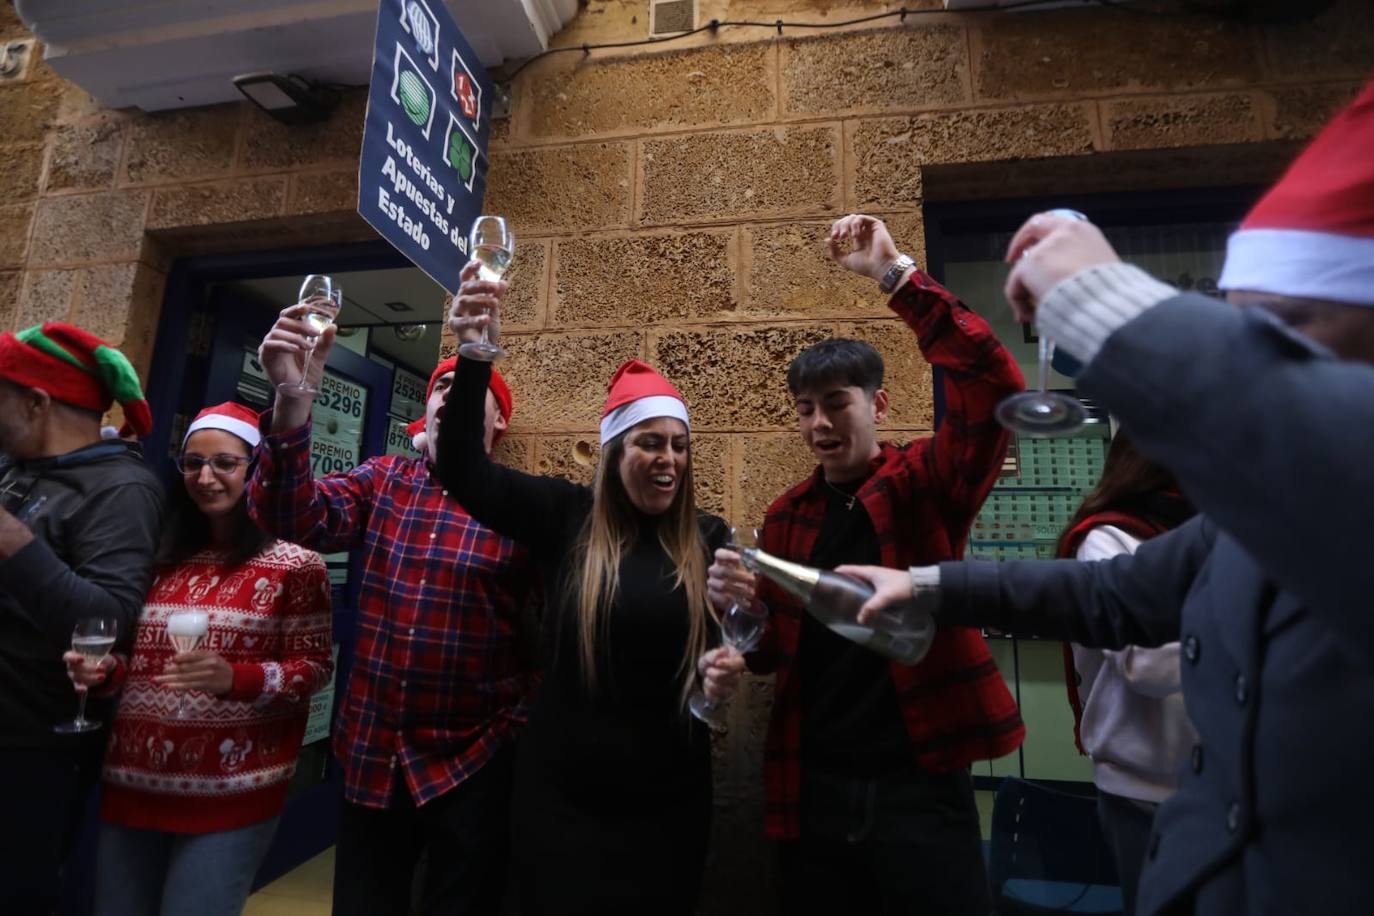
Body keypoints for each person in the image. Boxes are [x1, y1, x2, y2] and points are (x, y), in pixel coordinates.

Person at [838, 80, 1374, 916]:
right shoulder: (1238, 529)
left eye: (1285, 331)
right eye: (1243, 332)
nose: (1258, 358)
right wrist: (929, 586)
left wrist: (1102, 303)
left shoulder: (1330, 482)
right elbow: (1114, 593)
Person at [708, 214, 1026, 914]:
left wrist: (895, 276)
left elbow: (994, 387)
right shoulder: (790, 513)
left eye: (835, 404)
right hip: (813, 783)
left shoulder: (926, 482)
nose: (819, 424)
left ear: (878, 403)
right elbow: (770, 656)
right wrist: (739, 617)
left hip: (919, 783)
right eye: (804, 410)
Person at [436, 262, 734, 916]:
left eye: (680, 446)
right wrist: (475, 352)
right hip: (561, 799)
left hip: (668, 800)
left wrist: (728, 662)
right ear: (612, 451)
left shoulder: (711, 538)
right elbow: (461, 469)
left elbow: (743, 638)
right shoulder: (565, 518)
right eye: (650, 443)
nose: (669, 460)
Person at [247, 305, 537, 916]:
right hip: (372, 754)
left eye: (467, 386)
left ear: (498, 420)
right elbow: (288, 518)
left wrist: (513, 730)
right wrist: (294, 399)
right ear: (425, 414)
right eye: (442, 387)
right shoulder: (382, 480)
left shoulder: (518, 508)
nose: (450, 396)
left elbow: (544, 635)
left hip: (471, 763)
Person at [64, 401, 333, 916]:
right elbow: (136, 661)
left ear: (256, 470)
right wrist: (103, 673)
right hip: (134, 782)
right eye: (193, 463)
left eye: (225, 463)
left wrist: (237, 677)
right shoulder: (158, 555)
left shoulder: (295, 566)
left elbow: (314, 668)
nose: (205, 477)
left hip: (229, 794)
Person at [0, 323, 164, 915]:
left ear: (35, 401)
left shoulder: (120, 488)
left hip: (28, 750)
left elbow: (108, 623)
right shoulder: (13, 467)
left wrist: (12, 539)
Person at [1056, 433, 1196, 915]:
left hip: (1224, 780)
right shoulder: (1109, 537)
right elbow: (1149, 664)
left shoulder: (1214, 528)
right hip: (1144, 788)